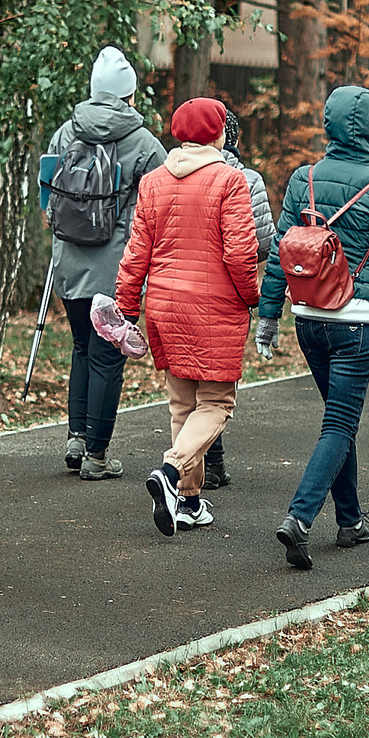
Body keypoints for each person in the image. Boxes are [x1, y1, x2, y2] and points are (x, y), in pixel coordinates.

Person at [255, 85, 369, 572]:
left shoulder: (302, 180)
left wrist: (268, 317)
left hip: (309, 322)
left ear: (329, 125)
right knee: (339, 423)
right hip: (357, 325)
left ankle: (351, 520)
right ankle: (299, 518)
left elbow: (280, 253)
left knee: (341, 421)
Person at [113, 97, 260, 537]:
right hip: (212, 307)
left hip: (163, 306)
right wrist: (251, 295)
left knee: (182, 404)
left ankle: (188, 502)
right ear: (218, 134)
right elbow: (239, 252)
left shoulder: (153, 182)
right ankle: (172, 470)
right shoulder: (230, 181)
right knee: (216, 403)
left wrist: (126, 304)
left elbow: (137, 250)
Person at [39, 46, 167, 481]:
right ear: (130, 96)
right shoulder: (145, 144)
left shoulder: (64, 133)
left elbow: (46, 200)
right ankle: (97, 456)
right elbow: (159, 207)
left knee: (81, 348)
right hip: (117, 269)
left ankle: (76, 438)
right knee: (107, 357)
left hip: (70, 262)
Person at [202, 106, 276, 492]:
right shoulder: (247, 180)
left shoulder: (171, 173)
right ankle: (207, 462)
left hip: (178, 291)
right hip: (228, 292)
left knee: (190, 380)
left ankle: (200, 464)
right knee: (217, 384)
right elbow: (264, 242)